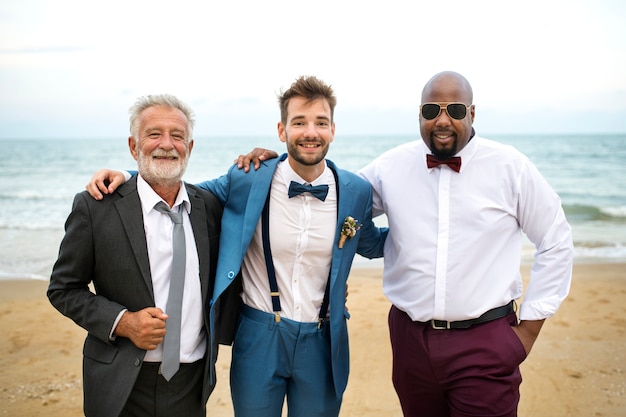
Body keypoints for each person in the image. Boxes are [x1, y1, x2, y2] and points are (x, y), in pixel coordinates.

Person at [238, 71, 574, 417]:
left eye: (455, 110)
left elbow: (556, 238)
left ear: (471, 114)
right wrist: (275, 166)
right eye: (432, 111)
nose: (442, 120)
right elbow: (333, 198)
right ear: (419, 115)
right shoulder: (391, 166)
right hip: (411, 342)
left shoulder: (511, 167)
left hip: (485, 339)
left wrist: (530, 328)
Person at [86, 76, 388, 417]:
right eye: (299, 122)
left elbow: (373, 243)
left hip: (323, 336)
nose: (310, 132)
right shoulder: (249, 177)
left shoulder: (355, 190)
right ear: (281, 130)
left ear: (333, 129)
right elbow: (179, 192)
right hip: (259, 334)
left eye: (320, 123)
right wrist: (128, 175)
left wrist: (432, 235)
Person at [48, 94, 224, 417]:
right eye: (154, 134)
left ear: (191, 147)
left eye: (177, 136)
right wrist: (123, 322)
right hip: (121, 384)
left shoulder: (209, 207)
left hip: (191, 385)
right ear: (133, 146)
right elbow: (62, 289)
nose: (167, 144)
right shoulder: (95, 207)